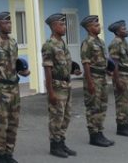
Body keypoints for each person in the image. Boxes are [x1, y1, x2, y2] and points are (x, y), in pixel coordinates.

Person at [0, 11, 30, 163]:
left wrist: (22, 72)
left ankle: (9, 154)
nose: (9, 25)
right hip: (1, 88)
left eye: (10, 22)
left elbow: (14, 64)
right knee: (1, 124)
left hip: (14, 88)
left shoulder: (13, 42)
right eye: (5, 22)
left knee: (13, 123)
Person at [41, 13, 81, 159]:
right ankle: (55, 145)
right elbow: (48, 69)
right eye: (61, 24)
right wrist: (50, 91)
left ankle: (62, 141)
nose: (64, 27)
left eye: (64, 24)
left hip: (67, 84)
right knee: (56, 116)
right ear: (53, 26)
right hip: (57, 85)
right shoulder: (49, 45)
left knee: (66, 116)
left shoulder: (63, 43)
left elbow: (63, 65)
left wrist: (73, 70)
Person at [79, 15, 114, 147]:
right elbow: (86, 63)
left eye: (98, 25)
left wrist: (108, 71)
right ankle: (93, 135)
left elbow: (102, 60)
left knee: (102, 106)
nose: (99, 27)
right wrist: (90, 82)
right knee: (93, 106)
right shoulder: (87, 43)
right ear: (89, 28)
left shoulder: (100, 42)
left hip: (102, 77)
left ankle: (100, 132)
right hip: (93, 78)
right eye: (96, 25)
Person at [108, 20, 128, 137]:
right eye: (123, 29)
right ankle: (121, 127)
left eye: (126, 28)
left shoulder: (124, 42)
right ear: (117, 32)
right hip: (121, 76)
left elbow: (125, 60)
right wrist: (117, 81)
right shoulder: (115, 43)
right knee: (122, 102)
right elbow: (114, 63)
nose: (127, 30)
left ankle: (126, 124)